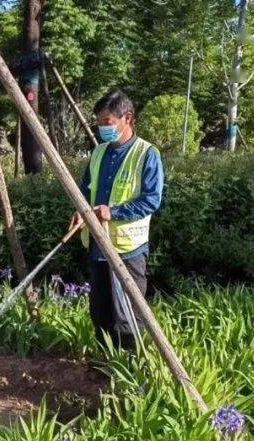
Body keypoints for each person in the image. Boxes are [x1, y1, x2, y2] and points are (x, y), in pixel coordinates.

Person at [69, 88, 163, 353]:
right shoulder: (99, 153)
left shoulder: (146, 154)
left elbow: (151, 200)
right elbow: (86, 190)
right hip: (99, 244)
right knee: (101, 312)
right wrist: (82, 211)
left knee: (128, 316)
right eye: (98, 123)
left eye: (107, 123)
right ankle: (104, 364)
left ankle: (130, 371)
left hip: (128, 249)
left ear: (127, 118)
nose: (102, 129)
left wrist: (113, 211)